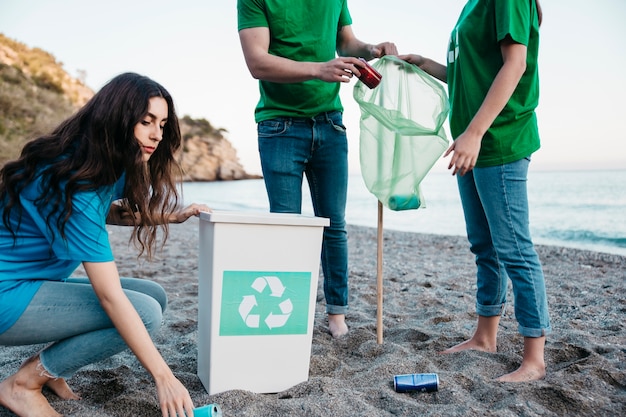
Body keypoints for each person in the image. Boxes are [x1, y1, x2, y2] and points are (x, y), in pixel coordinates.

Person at [0, 72, 210, 417]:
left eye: (162, 124)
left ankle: (50, 370)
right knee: (143, 312)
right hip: (7, 295)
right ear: (118, 118)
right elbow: (109, 296)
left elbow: (107, 213)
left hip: (31, 282)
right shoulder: (74, 182)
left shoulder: (98, 161)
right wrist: (164, 377)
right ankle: (22, 384)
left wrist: (170, 216)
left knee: (153, 293)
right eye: (146, 122)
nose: (157, 135)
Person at [399, 0, 550, 382]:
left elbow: (515, 64)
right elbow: (472, 71)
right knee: (484, 245)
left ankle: (534, 359)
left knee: (514, 249)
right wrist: (424, 64)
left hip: (496, 140)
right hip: (470, 140)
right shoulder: (472, 5)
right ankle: (485, 338)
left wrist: (476, 132)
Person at [237, 0, 397, 338]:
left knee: (334, 225)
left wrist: (370, 49)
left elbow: (346, 41)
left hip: (330, 123)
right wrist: (318, 69)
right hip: (278, 124)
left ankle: (336, 314)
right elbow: (257, 62)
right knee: (286, 225)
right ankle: (287, 314)